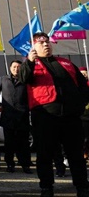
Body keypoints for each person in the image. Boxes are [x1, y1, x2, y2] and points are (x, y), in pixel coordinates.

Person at [19, 32, 89, 197]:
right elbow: (23, 78)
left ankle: (82, 187)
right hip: (45, 116)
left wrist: (79, 105)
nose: (45, 45)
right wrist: (29, 61)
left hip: (71, 117)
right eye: (40, 43)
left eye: (47, 42)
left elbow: (83, 87)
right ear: (33, 46)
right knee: (45, 154)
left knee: (76, 155)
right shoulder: (30, 64)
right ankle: (46, 187)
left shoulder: (66, 63)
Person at [0, 60, 32, 174]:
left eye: (18, 67)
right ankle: (9, 164)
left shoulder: (26, 80)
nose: (16, 69)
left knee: (23, 143)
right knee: (9, 143)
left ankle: (25, 165)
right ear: (10, 67)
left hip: (22, 116)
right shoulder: (3, 79)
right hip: (8, 116)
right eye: (14, 67)